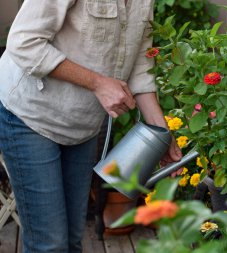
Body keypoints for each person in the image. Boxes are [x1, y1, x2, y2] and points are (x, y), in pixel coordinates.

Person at [0, 0, 182, 252]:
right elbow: (23, 42)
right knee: (49, 245)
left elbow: (140, 63)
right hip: (31, 116)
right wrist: (98, 83)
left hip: (82, 125)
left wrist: (161, 131)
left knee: (73, 242)